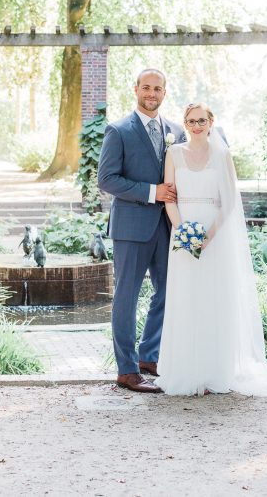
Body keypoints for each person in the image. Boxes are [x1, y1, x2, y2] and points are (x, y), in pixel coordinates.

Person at [156, 103, 267, 397]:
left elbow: (230, 201)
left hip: (216, 234)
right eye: (191, 121)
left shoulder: (222, 155)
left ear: (211, 122)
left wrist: (208, 236)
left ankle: (215, 372)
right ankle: (186, 371)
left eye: (201, 120)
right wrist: (184, 233)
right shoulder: (174, 154)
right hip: (184, 232)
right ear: (185, 124)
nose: (196, 126)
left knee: (214, 298)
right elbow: (169, 197)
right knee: (186, 298)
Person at [97, 69, 185, 394]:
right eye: (146, 87)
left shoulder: (177, 131)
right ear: (136, 89)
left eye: (157, 89)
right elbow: (107, 179)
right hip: (131, 227)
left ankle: (149, 356)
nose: (151, 93)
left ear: (165, 92)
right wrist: (152, 192)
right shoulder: (118, 130)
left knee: (168, 291)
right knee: (127, 297)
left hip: (167, 225)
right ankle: (127, 370)